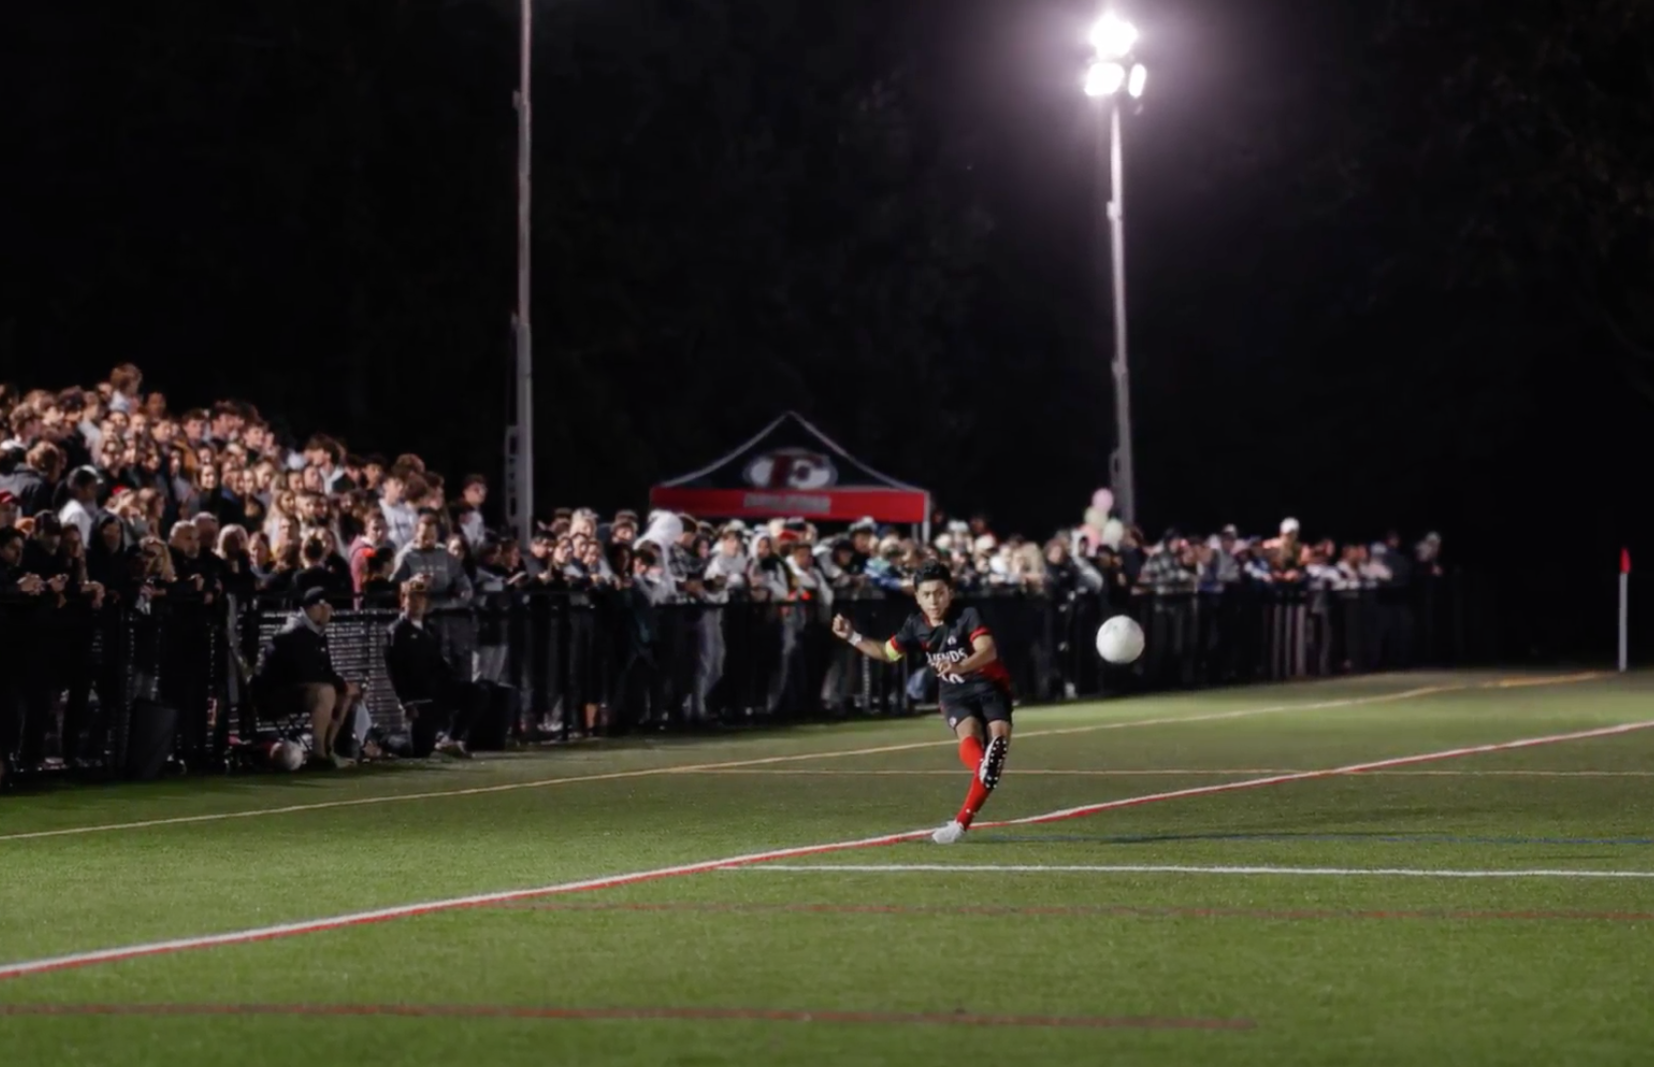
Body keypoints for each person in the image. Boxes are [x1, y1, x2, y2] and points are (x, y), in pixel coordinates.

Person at [831, 559, 1011, 844]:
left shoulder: (967, 615)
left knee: (998, 739)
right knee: (972, 738)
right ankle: (972, 796)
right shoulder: (915, 626)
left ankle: (962, 821)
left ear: (950, 592)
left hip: (990, 686)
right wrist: (852, 636)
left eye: (939, 593)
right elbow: (887, 653)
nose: (933, 600)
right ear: (916, 597)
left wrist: (961, 666)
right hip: (954, 694)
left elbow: (987, 651)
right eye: (926, 595)